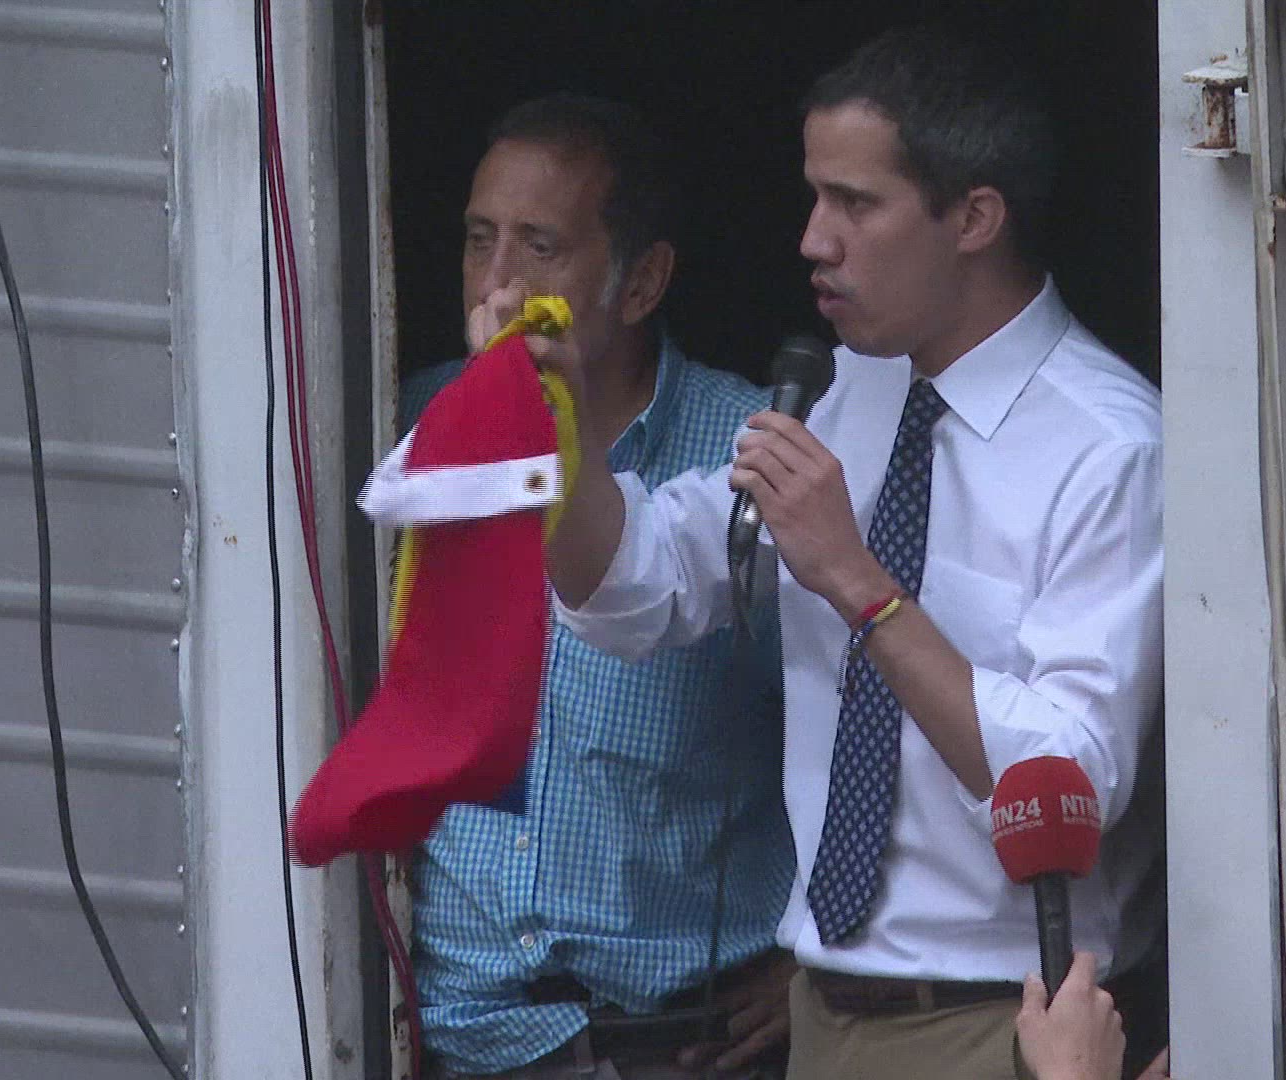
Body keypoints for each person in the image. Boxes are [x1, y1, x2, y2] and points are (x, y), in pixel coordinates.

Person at [480, 27, 1164, 1080]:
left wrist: (857, 583)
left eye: (855, 202)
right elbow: (635, 587)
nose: (812, 239)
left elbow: (1067, 780)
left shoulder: (1110, 447)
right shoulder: (852, 387)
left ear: (974, 218)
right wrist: (553, 426)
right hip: (826, 1016)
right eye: (813, 197)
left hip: (1008, 1021)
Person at [402, 93, 796, 1080]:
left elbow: (873, 721)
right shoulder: (406, 421)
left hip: (677, 1042)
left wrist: (827, 958)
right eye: (479, 240)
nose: (498, 282)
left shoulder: (752, 455)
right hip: (459, 1035)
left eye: (540, 247)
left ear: (642, 280)